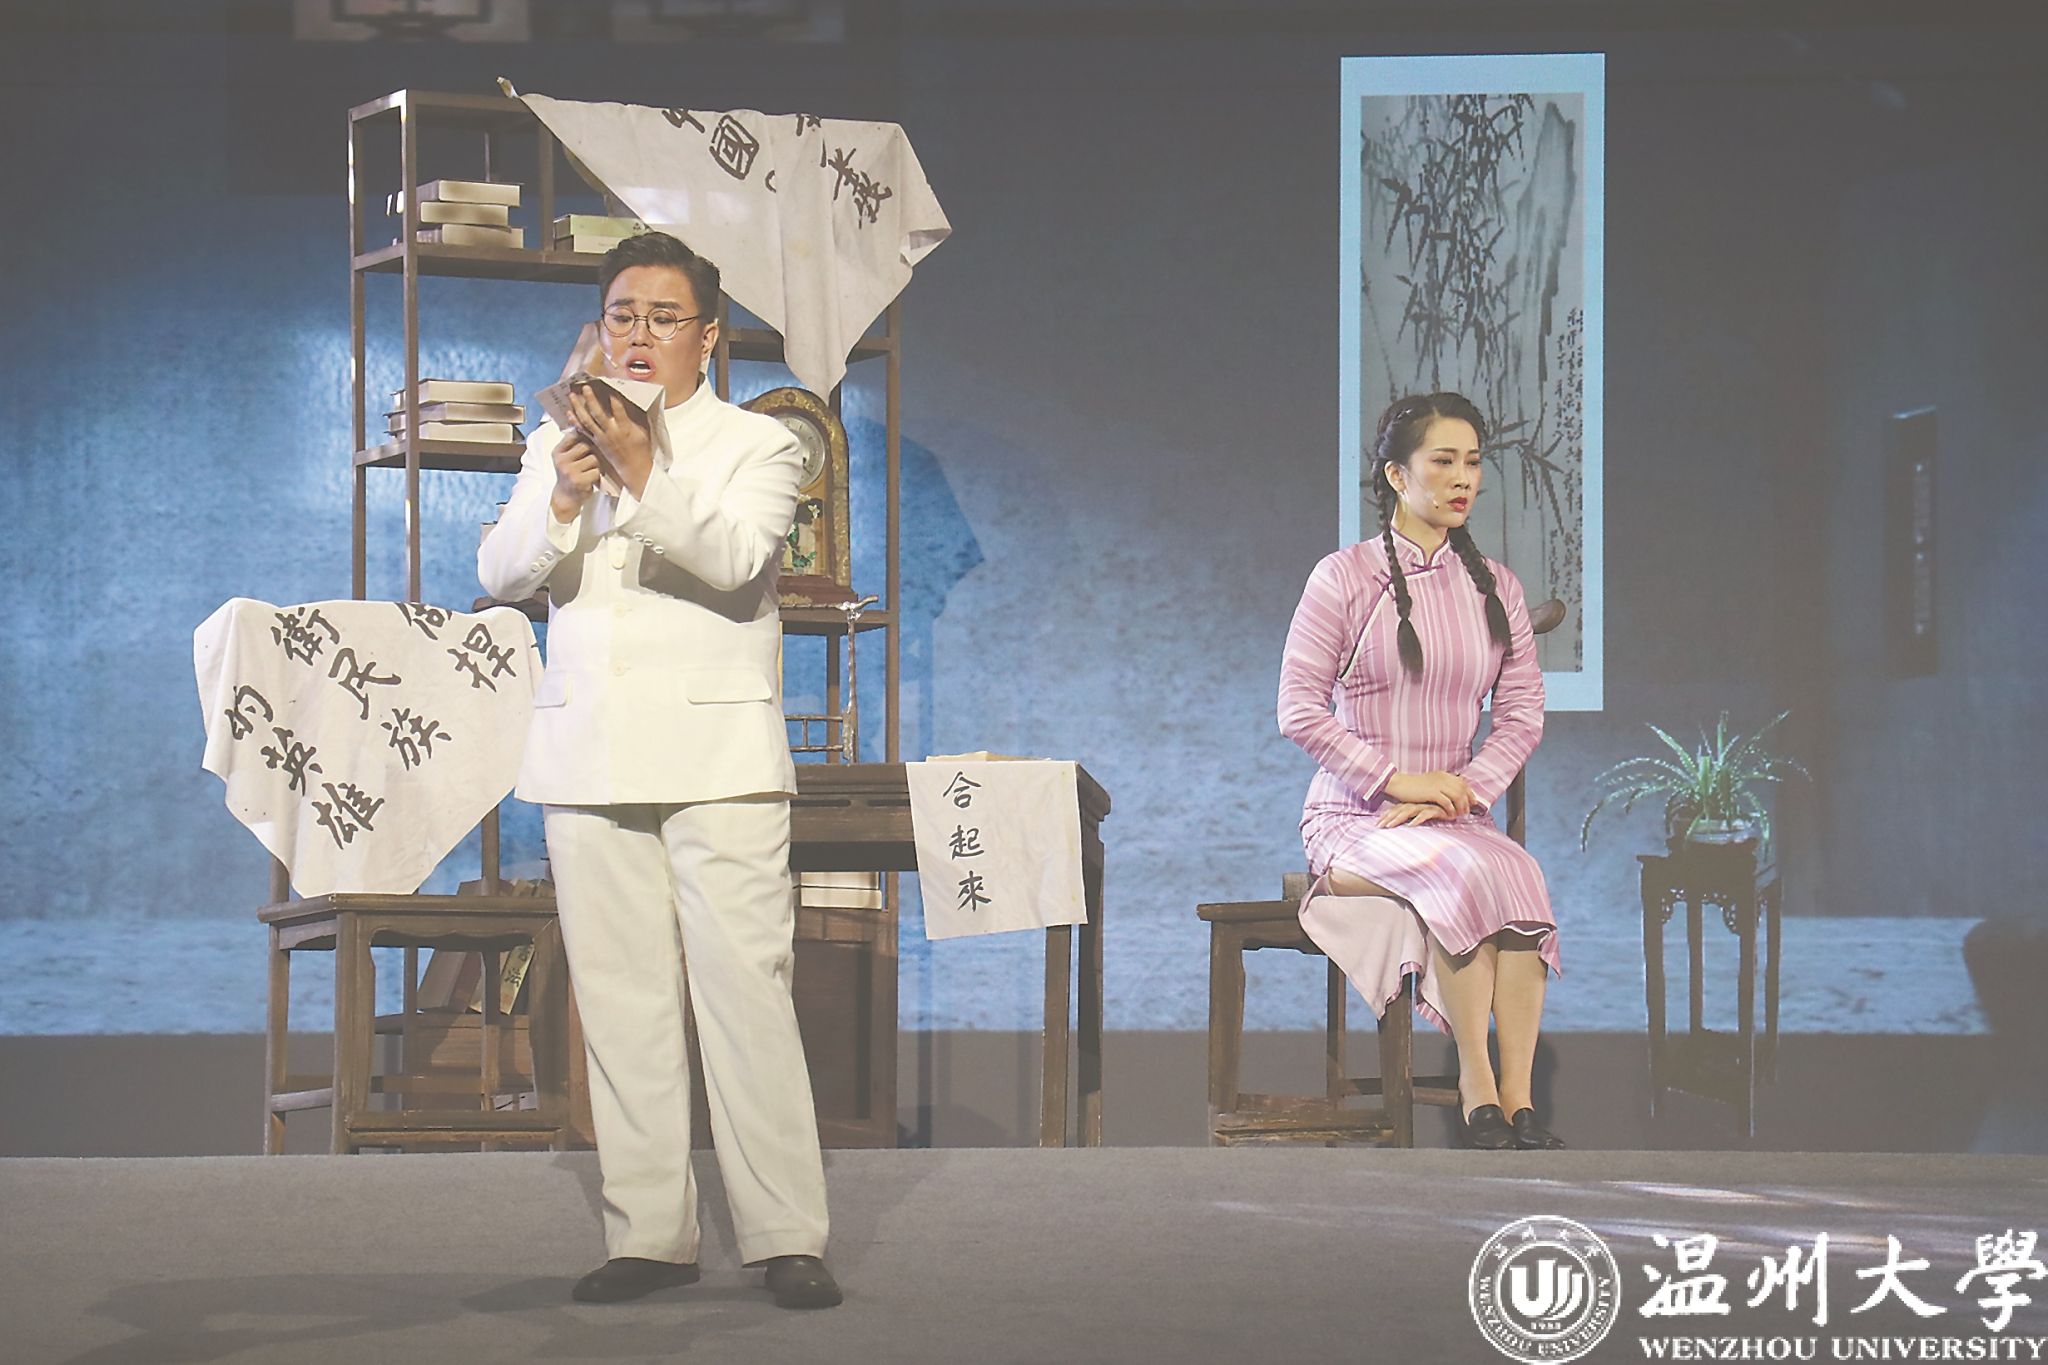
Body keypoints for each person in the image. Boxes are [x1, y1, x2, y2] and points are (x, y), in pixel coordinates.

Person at [479, 231, 841, 1307]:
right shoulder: (554, 443)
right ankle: (649, 1233)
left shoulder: (757, 443)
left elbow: (735, 561)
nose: (639, 335)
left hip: (718, 759)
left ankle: (785, 1234)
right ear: (600, 328)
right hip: (587, 752)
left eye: (663, 317)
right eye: (622, 315)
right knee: (621, 1000)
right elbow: (498, 573)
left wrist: (641, 469)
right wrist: (559, 498)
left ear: (708, 336)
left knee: (745, 994)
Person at [1276, 391, 1564, 1151]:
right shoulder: (1344, 577)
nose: (1463, 478)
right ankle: (1476, 1086)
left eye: (1473, 462)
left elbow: (1522, 716)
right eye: (1443, 461)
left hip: (1453, 816)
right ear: (1397, 476)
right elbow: (1298, 708)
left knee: (1521, 874)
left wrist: (1462, 792)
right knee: (1461, 873)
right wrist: (1396, 781)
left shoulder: (1497, 587)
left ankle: (1520, 1099)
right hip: (1355, 817)